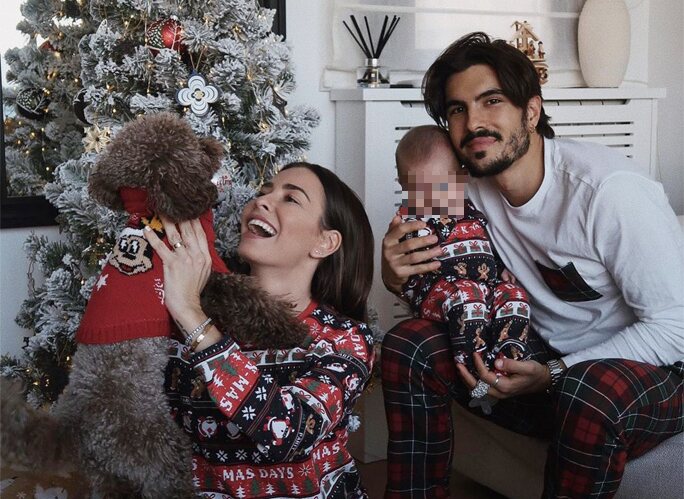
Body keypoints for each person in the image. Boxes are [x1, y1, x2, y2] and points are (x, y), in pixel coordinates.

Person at [380, 32, 684, 498]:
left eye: (491, 101)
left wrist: (558, 372)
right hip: (543, 361)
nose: (473, 122)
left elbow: (675, 327)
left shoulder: (609, 192)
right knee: (408, 344)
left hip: (650, 374)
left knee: (589, 391)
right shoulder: (465, 188)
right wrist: (394, 274)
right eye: (457, 109)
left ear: (532, 111)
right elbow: (450, 280)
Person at [144, 162, 375, 498]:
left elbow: (289, 433)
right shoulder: (192, 320)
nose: (262, 201)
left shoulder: (343, 339)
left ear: (325, 242)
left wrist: (193, 319)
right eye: (264, 192)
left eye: (290, 199)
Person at [395, 125, 533, 415]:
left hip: (484, 287)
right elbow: (403, 269)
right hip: (438, 291)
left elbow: (491, 243)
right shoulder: (409, 220)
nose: (434, 199)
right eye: (421, 191)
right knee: (467, 298)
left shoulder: (472, 208)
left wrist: (504, 268)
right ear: (404, 186)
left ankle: (505, 366)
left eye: (443, 187)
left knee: (514, 295)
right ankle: (477, 380)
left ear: (460, 177)